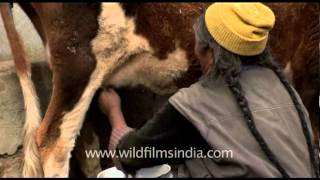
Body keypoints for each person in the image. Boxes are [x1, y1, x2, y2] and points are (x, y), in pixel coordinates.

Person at [98, 3, 319, 178]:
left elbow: (129, 155)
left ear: (208, 52)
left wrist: (114, 112)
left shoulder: (195, 103)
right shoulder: (284, 88)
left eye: (197, 44)